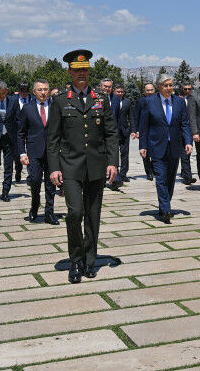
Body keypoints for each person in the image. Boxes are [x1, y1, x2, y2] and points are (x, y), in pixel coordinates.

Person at [48, 49, 118, 284]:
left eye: (85, 70)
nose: (81, 74)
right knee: (75, 212)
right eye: (77, 70)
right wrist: (54, 167)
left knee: (93, 215)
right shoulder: (60, 100)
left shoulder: (101, 98)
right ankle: (75, 260)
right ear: (69, 72)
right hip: (70, 166)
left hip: (96, 164)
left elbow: (111, 133)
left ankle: (90, 260)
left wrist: (113, 162)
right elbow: (53, 138)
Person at [139, 74, 193, 223]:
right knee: (161, 178)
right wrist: (143, 145)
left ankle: (164, 206)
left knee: (170, 179)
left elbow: (185, 124)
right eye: (166, 85)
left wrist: (188, 141)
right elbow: (144, 127)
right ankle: (166, 208)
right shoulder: (149, 102)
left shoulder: (179, 102)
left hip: (174, 146)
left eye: (171, 85)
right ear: (159, 87)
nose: (169, 88)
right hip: (156, 146)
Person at [17, 79, 58, 225]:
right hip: (34, 152)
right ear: (34, 92)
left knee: (50, 183)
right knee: (34, 180)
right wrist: (22, 152)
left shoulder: (55, 107)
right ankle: (34, 206)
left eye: (46, 89)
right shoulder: (27, 109)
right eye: (40, 90)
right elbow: (20, 133)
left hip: (53, 152)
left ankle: (49, 212)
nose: (43, 92)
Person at [131, 82, 156, 181]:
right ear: (144, 91)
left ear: (154, 90)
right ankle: (148, 172)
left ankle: (155, 169)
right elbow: (136, 116)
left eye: (151, 90)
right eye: (147, 90)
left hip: (155, 130)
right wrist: (136, 130)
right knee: (145, 152)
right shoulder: (140, 101)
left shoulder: (158, 100)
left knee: (156, 151)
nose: (149, 92)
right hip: (143, 130)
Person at [111, 84, 132, 189]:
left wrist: (131, 129)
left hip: (124, 131)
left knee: (124, 153)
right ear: (114, 91)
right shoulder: (110, 101)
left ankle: (123, 174)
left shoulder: (127, 102)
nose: (120, 93)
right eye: (118, 91)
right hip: (112, 132)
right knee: (113, 153)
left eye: (122, 92)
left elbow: (131, 116)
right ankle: (115, 174)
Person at [179, 83, 197, 185]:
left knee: (187, 153)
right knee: (184, 154)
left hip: (191, 130)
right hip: (180, 131)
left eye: (189, 89)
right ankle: (187, 176)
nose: (187, 91)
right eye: (185, 89)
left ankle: (185, 173)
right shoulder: (179, 100)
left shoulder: (194, 100)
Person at [14, 82, 32, 183]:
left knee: (30, 152)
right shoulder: (14, 100)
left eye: (26, 91)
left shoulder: (33, 99)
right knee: (18, 153)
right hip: (17, 129)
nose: (24, 94)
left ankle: (30, 175)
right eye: (22, 91)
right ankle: (18, 171)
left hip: (30, 129)